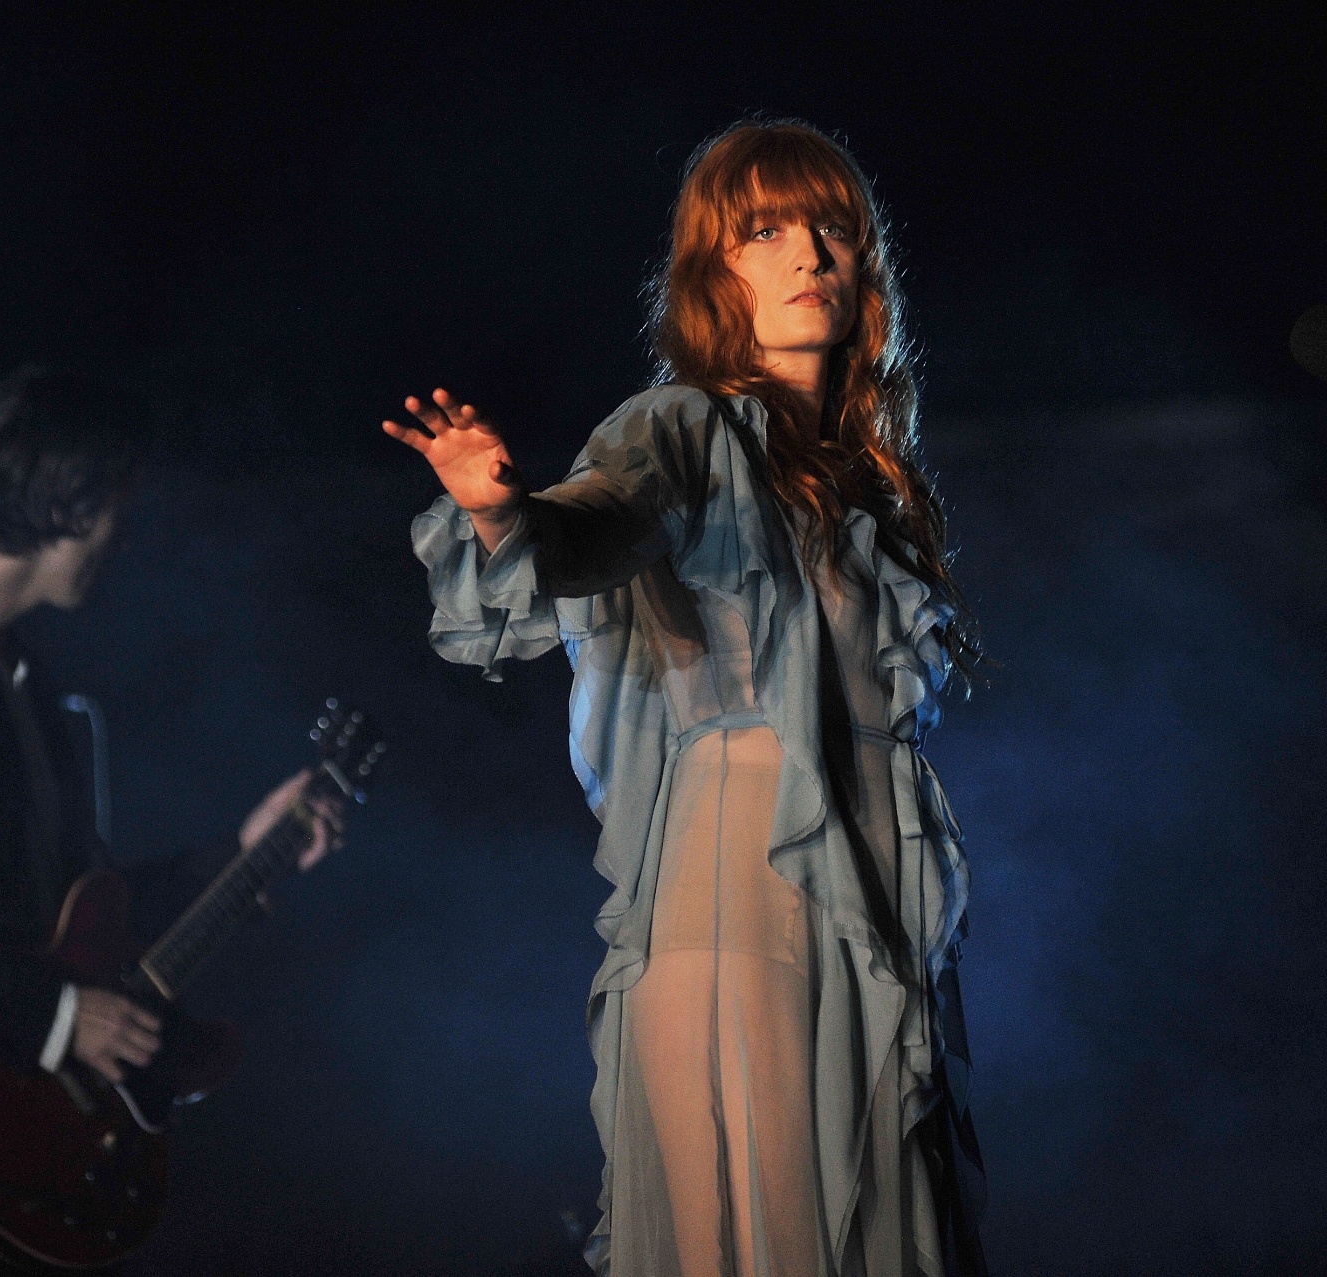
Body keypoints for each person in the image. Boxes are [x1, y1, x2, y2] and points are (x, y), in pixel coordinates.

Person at [385, 120, 987, 1276]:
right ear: (716, 268)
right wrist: (503, 514)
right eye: (765, 230)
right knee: (769, 1232)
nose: (808, 252)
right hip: (742, 886)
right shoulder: (687, 427)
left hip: (879, 892)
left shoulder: (874, 482)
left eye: (833, 228)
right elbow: (597, 519)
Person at [0, 365, 342, 1274]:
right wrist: (56, 1016)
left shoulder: (27, 679)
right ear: (71, 502)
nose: (121, 535)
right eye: (117, 504)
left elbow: (72, 913)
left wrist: (240, 855)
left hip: (5, 1168)